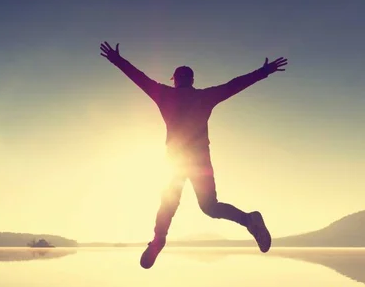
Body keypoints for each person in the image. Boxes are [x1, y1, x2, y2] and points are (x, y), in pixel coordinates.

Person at [99, 41, 288, 269]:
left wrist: (116, 59)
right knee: (209, 207)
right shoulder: (205, 97)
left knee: (168, 203)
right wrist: (264, 72)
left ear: (175, 80)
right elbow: (234, 85)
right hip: (200, 160)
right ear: (192, 81)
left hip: (176, 161)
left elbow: (139, 78)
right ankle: (248, 219)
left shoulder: (164, 95)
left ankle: (158, 241)